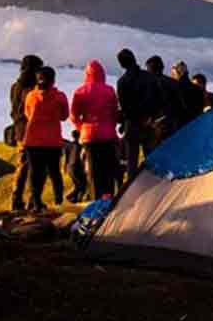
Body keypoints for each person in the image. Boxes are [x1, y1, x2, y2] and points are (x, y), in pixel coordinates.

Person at [71, 59, 120, 201]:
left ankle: (95, 199)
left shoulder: (80, 91)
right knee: (108, 169)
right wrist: (111, 126)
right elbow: (115, 113)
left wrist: (81, 128)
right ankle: (108, 198)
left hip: (89, 136)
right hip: (108, 134)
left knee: (93, 170)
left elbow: (74, 115)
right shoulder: (109, 90)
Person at [24, 66, 69, 212]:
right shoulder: (60, 97)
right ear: (53, 80)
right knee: (55, 172)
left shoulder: (30, 96)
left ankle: (36, 202)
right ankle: (58, 201)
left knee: (35, 172)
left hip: (33, 140)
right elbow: (64, 116)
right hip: (52, 140)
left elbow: (27, 113)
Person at [116, 48, 160, 180]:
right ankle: (155, 186)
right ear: (134, 58)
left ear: (122, 64)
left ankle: (132, 192)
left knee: (132, 162)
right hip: (148, 122)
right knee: (151, 159)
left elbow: (124, 107)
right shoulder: (148, 76)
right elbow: (157, 98)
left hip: (132, 124)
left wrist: (126, 121)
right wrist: (151, 117)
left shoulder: (122, 81)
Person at [9, 54, 43, 212]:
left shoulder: (15, 86)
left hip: (20, 131)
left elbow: (14, 110)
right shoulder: (33, 89)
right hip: (33, 130)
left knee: (22, 166)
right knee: (35, 167)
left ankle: (16, 199)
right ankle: (33, 200)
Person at [145, 55, 185, 139]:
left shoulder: (147, 85)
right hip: (174, 125)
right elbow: (181, 105)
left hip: (155, 126)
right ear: (162, 67)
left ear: (149, 69)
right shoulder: (174, 83)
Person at [64, 130, 88, 204]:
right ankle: (78, 201)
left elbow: (67, 157)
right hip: (77, 167)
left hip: (70, 167)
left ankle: (70, 198)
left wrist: (65, 167)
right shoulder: (81, 145)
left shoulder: (68, 145)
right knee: (83, 186)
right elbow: (82, 157)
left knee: (78, 185)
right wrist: (85, 168)